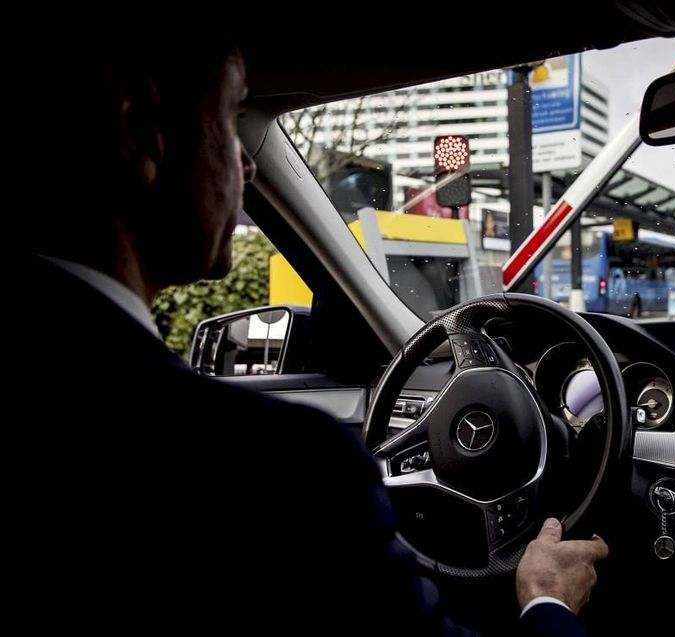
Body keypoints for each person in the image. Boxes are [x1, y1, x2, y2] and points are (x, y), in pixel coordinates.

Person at [14, 31, 607, 634]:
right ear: (141, 132)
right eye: (231, 116)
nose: (246, 162)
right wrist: (547, 600)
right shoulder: (286, 469)